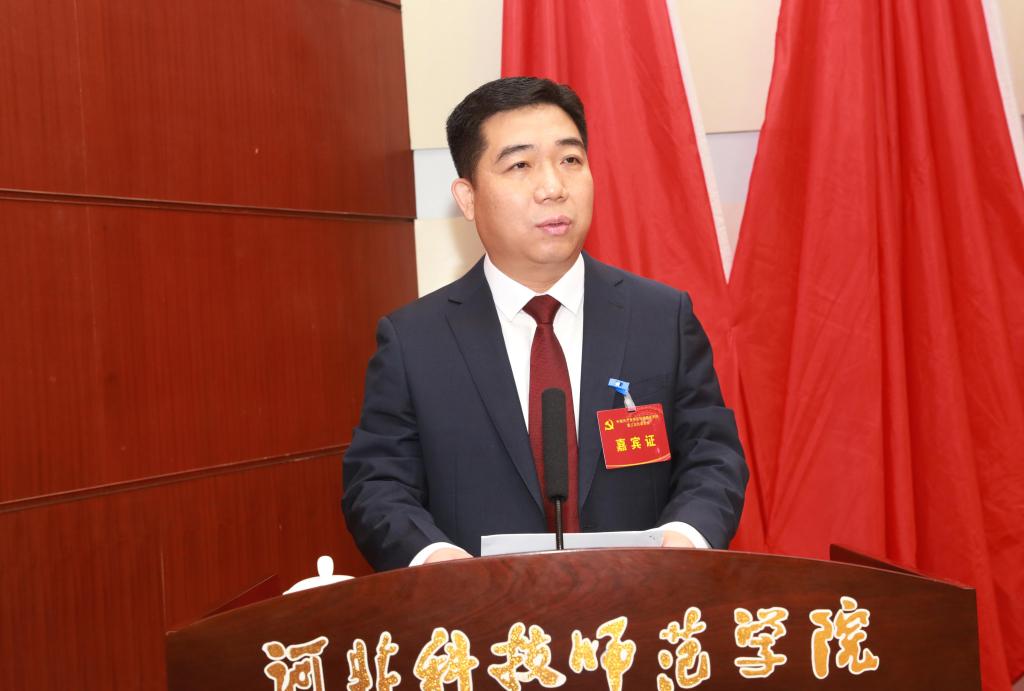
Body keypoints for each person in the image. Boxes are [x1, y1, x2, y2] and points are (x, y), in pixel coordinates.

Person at [342, 77, 746, 572]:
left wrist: (683, 541)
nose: (553, 187)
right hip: (478, 612)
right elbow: (378, 485)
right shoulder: (415, 341)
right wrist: (438, 564)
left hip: (641, 603)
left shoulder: (661, 317)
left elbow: (713, 457)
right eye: (520, 165)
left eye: (570, 160)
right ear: (467, 198)